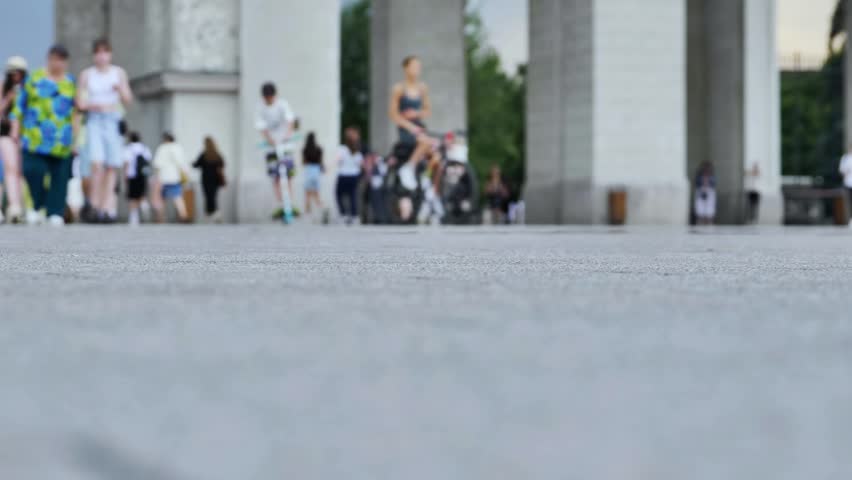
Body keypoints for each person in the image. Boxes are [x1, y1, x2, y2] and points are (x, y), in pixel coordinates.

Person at [9, 45, 78, 227]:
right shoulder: (34, 79)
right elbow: (19, 107)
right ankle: (37, 206)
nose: (60, 64)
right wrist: (15, 131)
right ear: (50, 59)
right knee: (33, 171)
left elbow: (76, 111)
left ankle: (55, 211)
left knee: (60, 177)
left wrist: (75, 139)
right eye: (57, 59)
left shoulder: (70, 82)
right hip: (34, 137)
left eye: (63, 61)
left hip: (61, 139)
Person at [77, 38, 133, 223]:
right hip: (95, 120)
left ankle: (107, 207)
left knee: (112, 164)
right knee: (96, 163)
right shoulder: (87, 74)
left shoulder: (118, 73)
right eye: (98, 52)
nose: (102, 56)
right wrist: (96, 106)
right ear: (94, 55)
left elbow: (127, 99)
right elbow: (80, 102)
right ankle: (93, 204)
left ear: (110, 54)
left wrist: (119, 89)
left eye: (105, 52)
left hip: (113, 120)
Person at [388, 55, 434, 191]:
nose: (416, 70)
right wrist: (410, 126)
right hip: (405, 128)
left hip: (419, 126)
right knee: (425, 142)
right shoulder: (399, 88)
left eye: (418, 67)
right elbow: (393, 114)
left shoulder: (422, 88)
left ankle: (426, 180)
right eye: (414, 66)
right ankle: (408, 168)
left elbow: (427, 111)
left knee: (436, 153)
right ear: (406, 68)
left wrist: (416, 114)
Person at [256, 82, 296, 224]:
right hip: (271, 148)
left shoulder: (282, 105)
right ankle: (281, 204)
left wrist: (287, 135)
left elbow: (290, 121)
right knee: (276, 177)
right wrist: (270, 140)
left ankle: (289, 203)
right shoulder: (261, 108)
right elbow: (262, 128)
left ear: (275, 95)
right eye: (266, 98)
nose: (269, 100)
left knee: (288, 175)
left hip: (286, 147)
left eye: (271, 97)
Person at [0, 56, 27, 224]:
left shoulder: (27, 88)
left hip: (21, 135)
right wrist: (8, 99)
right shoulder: (4, 87)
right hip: (4, 133)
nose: (16, 76)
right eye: (13, 72)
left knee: (16, 173)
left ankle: (16, 208)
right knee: (6, 171)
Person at [152, 132, 190, 223]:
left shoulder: (161, 148)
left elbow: (156, 164)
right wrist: (186, 173)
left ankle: (160, 217)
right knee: (177, 197)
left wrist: (156, 176)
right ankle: (183, 215)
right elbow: (181, 163)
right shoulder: (177, 148)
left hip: (163, 177)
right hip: (174, 177)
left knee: (162, 198)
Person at [193, 136, 226, 223]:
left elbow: (196, 165)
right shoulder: (217, 154)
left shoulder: (204, 155)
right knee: (213, 196)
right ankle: (215, 214)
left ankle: (210, 214)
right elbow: (222, 165)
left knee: (208, 197)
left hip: (206, 179)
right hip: (215, 180)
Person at [336, 127, 364, 225]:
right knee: (352, 196)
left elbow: (338, 161)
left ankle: (343, 214)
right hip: (354, 176)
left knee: (339, 195)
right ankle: (354, 215)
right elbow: (361, 165)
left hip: (343, 175)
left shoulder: (342, 149)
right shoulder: (357, 150)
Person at [123, 131, 152, 226]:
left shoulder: (128, 148)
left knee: (132, 197)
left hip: (132, 175)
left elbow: (127, 163)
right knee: (142, 194)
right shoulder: (144, 148)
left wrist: (125, 175)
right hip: (143, 175)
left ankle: (133, 217)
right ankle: (144, 204)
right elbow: (148, 161)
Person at [301, 131, 324, 218]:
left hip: (309, 170)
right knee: (317, 193)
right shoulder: (319, 149)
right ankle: (320, 211)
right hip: (317, 170)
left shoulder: (305, 149)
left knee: (307, 194)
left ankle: (307, 213)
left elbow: (304, 162)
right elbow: (320, 161)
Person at [694, 162, 717, 226]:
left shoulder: (712, 177)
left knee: (709, 211)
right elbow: (697, 183)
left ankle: (709, 223)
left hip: (709, 192)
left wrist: (707, 183)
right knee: (700, 210)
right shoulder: (699, 177)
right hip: (700, 191)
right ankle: (700, 223)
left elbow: (713, 184)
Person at [839, 145, 852, 227]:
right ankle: (850, 219)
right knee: (849, 202)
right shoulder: (845, 158)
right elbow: (842, 170)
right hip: (848, 183)